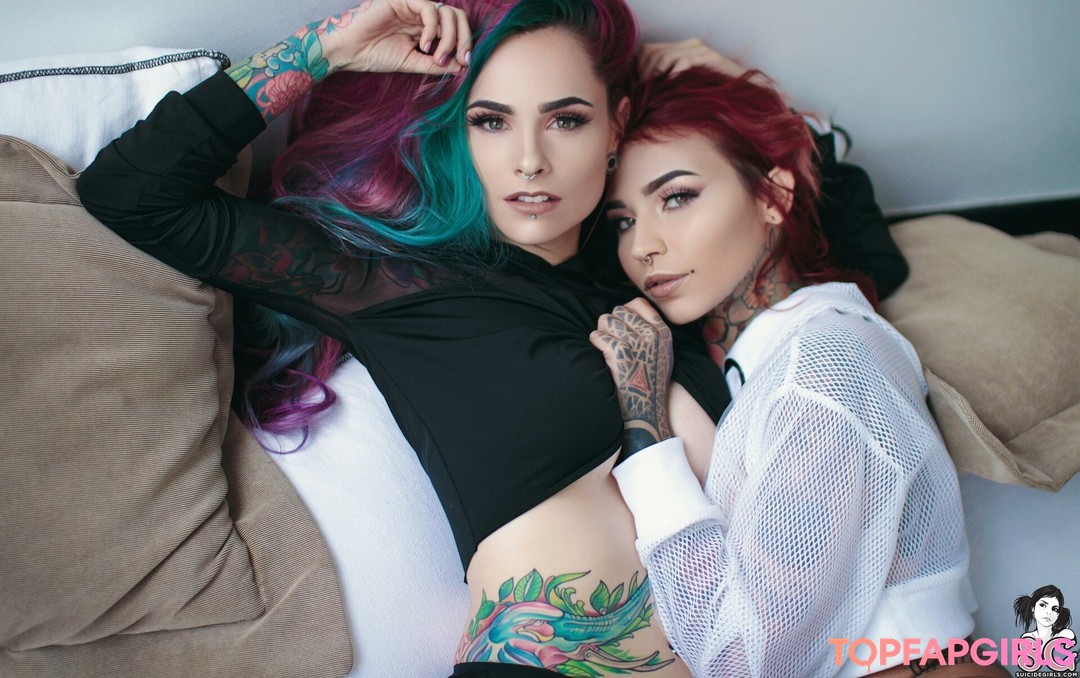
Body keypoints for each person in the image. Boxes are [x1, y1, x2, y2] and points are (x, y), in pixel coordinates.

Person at [77, 0, 897, 674]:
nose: (530, 160)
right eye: (492, 121)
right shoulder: (399, 283)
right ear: (458, 134)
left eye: (566, 119)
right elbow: (133, 192)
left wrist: (703, 72)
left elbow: (853, 243)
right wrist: (329, 46)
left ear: (614, 127)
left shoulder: (661, 275)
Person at [590, 67, 1009, 677]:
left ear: (773, 196)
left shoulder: (820, 368)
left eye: (677, 197)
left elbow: (741, 663)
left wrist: (644, 423)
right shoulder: (773, 364)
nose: (641, 246)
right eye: (623, 220)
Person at [1013, 585, 1076, 672]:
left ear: (1058, 614)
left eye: (1055, 609)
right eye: (1042, 605)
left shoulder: (1066, 634)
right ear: (1033, 608)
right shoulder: (1027, 638)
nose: (1048, 612)